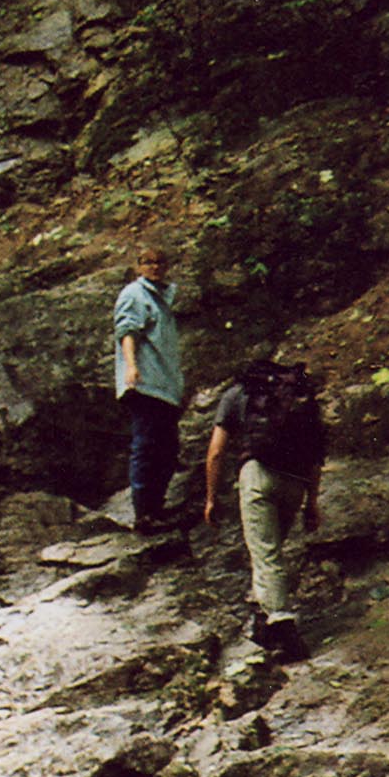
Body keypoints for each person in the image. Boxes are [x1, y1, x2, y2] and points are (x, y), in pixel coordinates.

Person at [203, 356, 325, 662]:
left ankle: (284, 628)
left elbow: (216, 452)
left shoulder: (236, 395)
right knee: (270, 552)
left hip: (258, 475)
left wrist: (211, 498)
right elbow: (315, 456)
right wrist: (311, 503)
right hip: (295, 481)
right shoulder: (298, 399)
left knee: (266, 555)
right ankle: (263, 623)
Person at [113, 240, 184, 533]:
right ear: (138, 267)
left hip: (165, 387)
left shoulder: (162, 299)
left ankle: (156, 508)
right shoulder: (135, 294)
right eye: (148, 262)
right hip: (144, 384)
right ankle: (144, 513)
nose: (154, 267)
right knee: (146, 446)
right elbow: (127, 331)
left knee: (167, 449)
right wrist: (131, 366)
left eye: (159, 262)